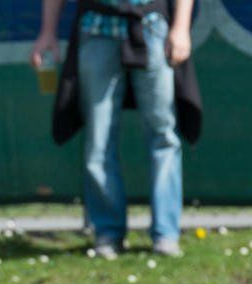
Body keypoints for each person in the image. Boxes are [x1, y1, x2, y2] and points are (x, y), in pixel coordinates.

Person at [31, 0, 197, 259]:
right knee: (98, 141)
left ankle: (166, 234)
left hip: (152, 28)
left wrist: (181, 27)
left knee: (163, 136)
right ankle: (107, 233)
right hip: (96, 29)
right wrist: (47, 32)